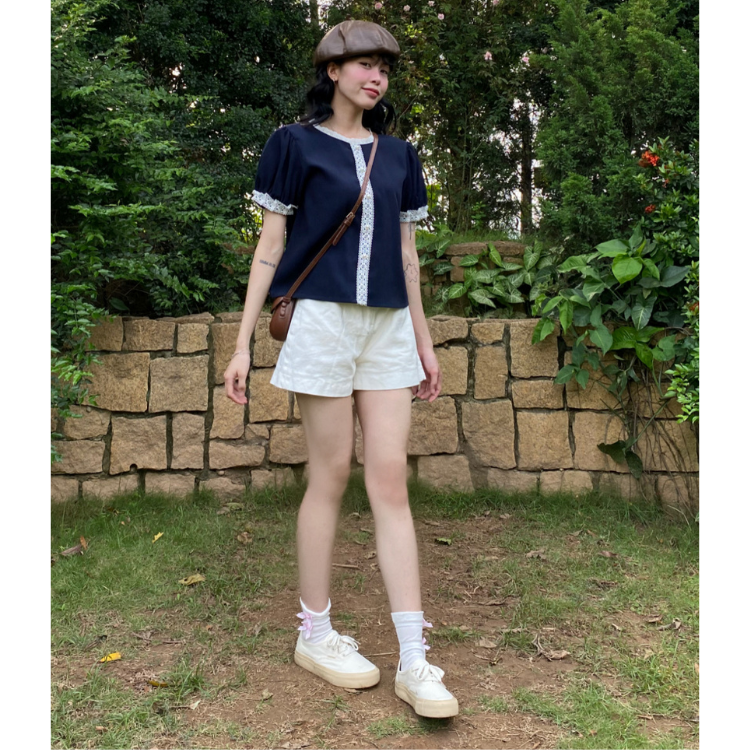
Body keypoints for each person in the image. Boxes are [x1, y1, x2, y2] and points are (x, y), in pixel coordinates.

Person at [223, 19, 458, 719]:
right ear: (332, 71)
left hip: (387, 327)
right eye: (362, 64)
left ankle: (414, 660)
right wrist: (242, 344)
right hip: (320, 322)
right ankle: (315, 634)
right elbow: (270, 248)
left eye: (383, 66)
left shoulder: (401, 156)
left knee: (390, 482)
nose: (375, 76)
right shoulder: (292, 144)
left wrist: (424, 342)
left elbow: (408, 258)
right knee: (328, 476)